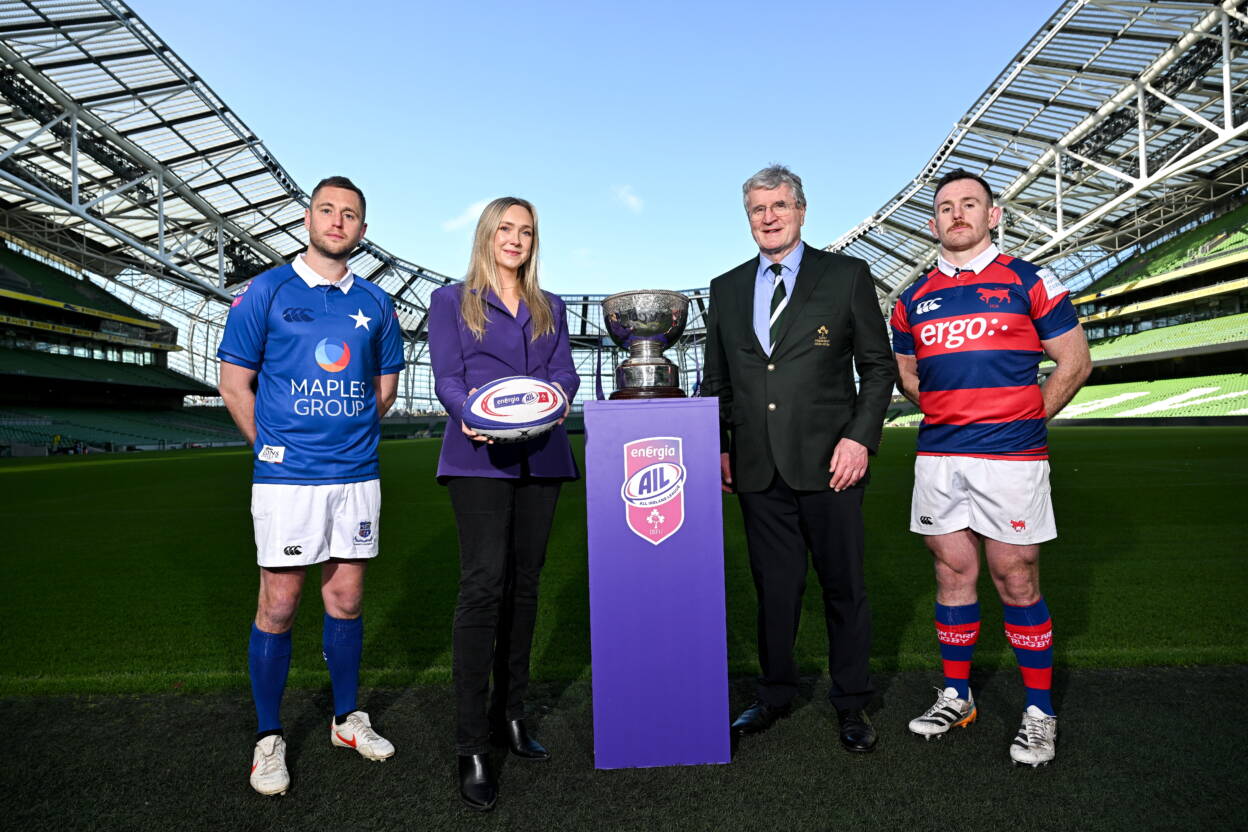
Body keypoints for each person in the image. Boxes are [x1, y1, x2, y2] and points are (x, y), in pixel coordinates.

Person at [890, 168, 1091, 766]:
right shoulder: (911, 298)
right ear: (933, 223)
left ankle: (1039, 711)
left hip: (1012, 458)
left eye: (970, 203)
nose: (958, 214)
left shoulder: (1029, 280)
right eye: (946, 206)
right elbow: (907, 372)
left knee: (1016, 578)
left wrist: (1025, 421)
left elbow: (1074, 362)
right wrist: (953, 417)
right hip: (939, 457)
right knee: (953, 572)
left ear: (992, 215)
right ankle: (957, 694)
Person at [218, 176, 405, 796]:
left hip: (355, 475)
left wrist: (345, 437)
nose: (337, 221)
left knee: (347, 598)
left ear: (362, 229)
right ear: (308, 218)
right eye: (327, 210)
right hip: (286, 479)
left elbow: (383, 390)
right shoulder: (266, 291)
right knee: (279, 602)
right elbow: (233, 382)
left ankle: (347, 719)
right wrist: (269, 447)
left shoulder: (377, 304)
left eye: (350, 214)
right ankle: (269, 736)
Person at [702, 165, 896, 753]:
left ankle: (851, 702)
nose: (769, 217)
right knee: (775, 591)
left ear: (802, 210)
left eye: (780, 206)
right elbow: (718, 379)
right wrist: (721, 447)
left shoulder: (846, 275)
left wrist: (860, 438)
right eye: (758, 209)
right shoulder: (726, 287)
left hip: (832, 464)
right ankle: (775, 692)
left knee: (844, 588)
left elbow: (878, 367)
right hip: (758, 469)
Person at [427, 196, 579, 811]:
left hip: (542, 457)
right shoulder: (449, 300)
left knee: (526, 586)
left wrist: (558, 402)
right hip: (477, 458)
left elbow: (566, 376)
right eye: (505, 228)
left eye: (526, 231)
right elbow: (446, 376)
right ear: (487, 234)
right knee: (483, 586)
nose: (515, 239)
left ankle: (510, 715)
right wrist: (471, 416)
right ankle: (471, 745)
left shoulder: (551, 307)